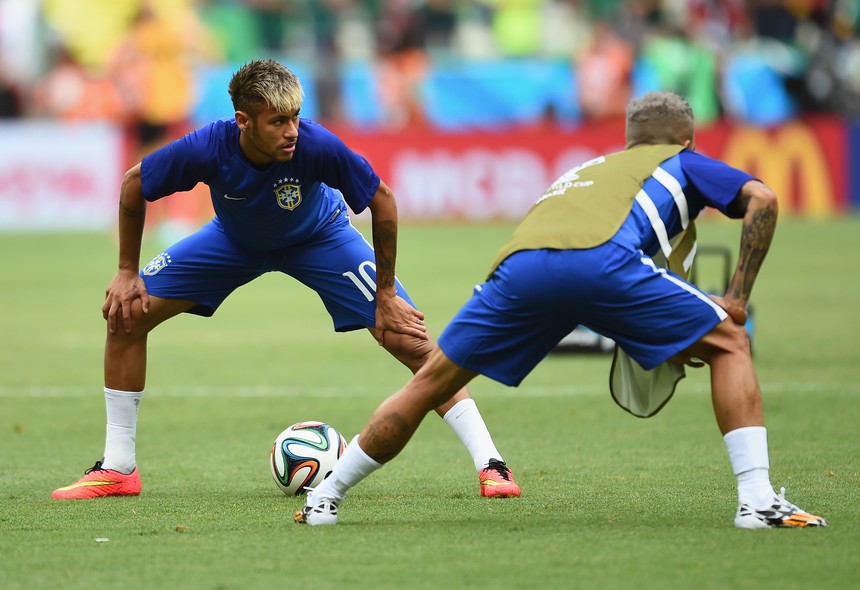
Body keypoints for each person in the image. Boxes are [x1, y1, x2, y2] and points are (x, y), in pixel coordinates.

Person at [295, 90, 828, 529]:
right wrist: (733, 299)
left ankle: (327, 497)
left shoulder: (593, 169)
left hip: (519, 265)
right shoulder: (683, 160)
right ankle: (757, 500)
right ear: (685, 139)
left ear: (628, 140)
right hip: (601, 260)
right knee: (730, 340)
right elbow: (764, 199)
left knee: (429, 383)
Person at [52, 59, 520, 501]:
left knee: (407, 337)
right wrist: (127, 272)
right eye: (278, 121)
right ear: (243, 121)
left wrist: (386, 294)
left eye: (295, 117)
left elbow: (382, 200)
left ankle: (492, 464)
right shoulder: (207, 147)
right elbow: (135, 182)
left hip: (320, 236)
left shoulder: (316, 145)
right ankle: (118, 468)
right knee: (125, 315)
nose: (292, 131)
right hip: (232, 241)